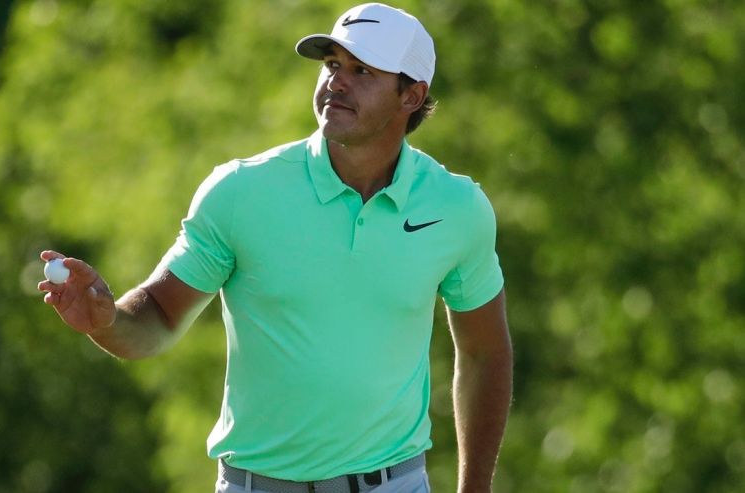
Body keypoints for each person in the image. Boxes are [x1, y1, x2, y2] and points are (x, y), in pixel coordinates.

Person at [38, 3, 512, 492]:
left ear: (412, 95)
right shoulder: (241, 191)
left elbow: (484, 354)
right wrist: (107, 320)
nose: (336, 83)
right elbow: (156, 318)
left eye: (362, 71)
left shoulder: (457, 207)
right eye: (332, 66)